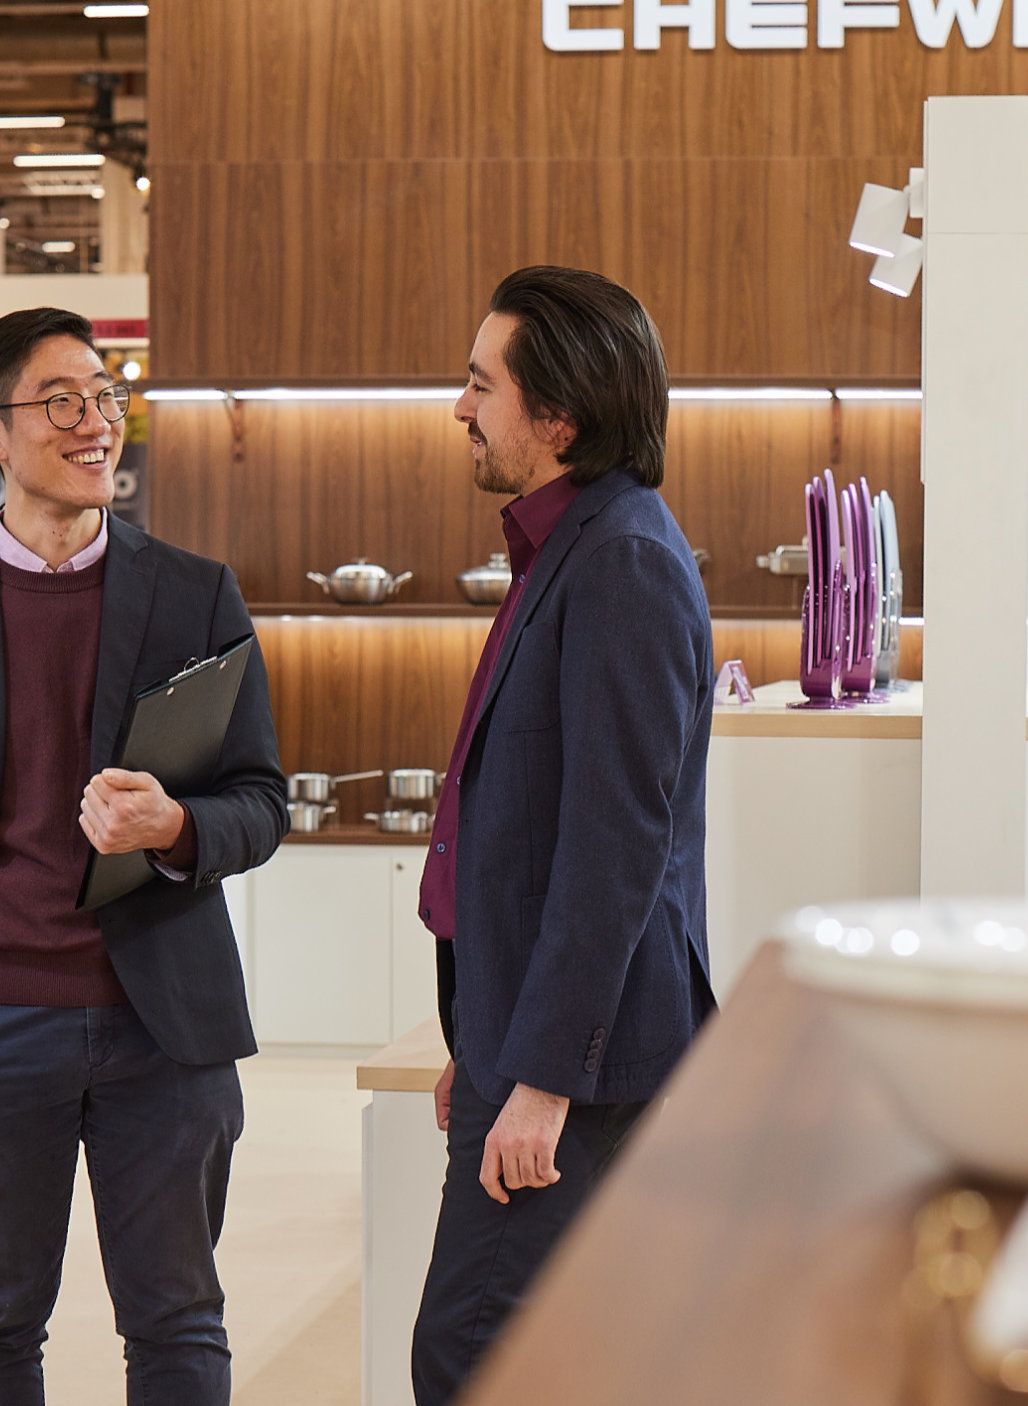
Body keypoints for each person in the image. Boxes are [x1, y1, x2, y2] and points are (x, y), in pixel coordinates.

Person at [0, 307, 287, 1406]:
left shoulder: (194, 593)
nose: (94, 423)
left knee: (179, 1320)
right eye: (61, 401)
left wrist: (176, 827)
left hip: (163, 1028)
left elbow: (260, 801)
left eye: (105, 396)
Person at [410, 266, 717, 1405]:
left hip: (571, 1070)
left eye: (480, 383)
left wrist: (540, 1073)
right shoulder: (572, 546)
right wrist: (486, 1031)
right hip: (522, 1038)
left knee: (471, 1353)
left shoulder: (622, 559)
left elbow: (613, 849)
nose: (460, 408)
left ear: (560, 416)